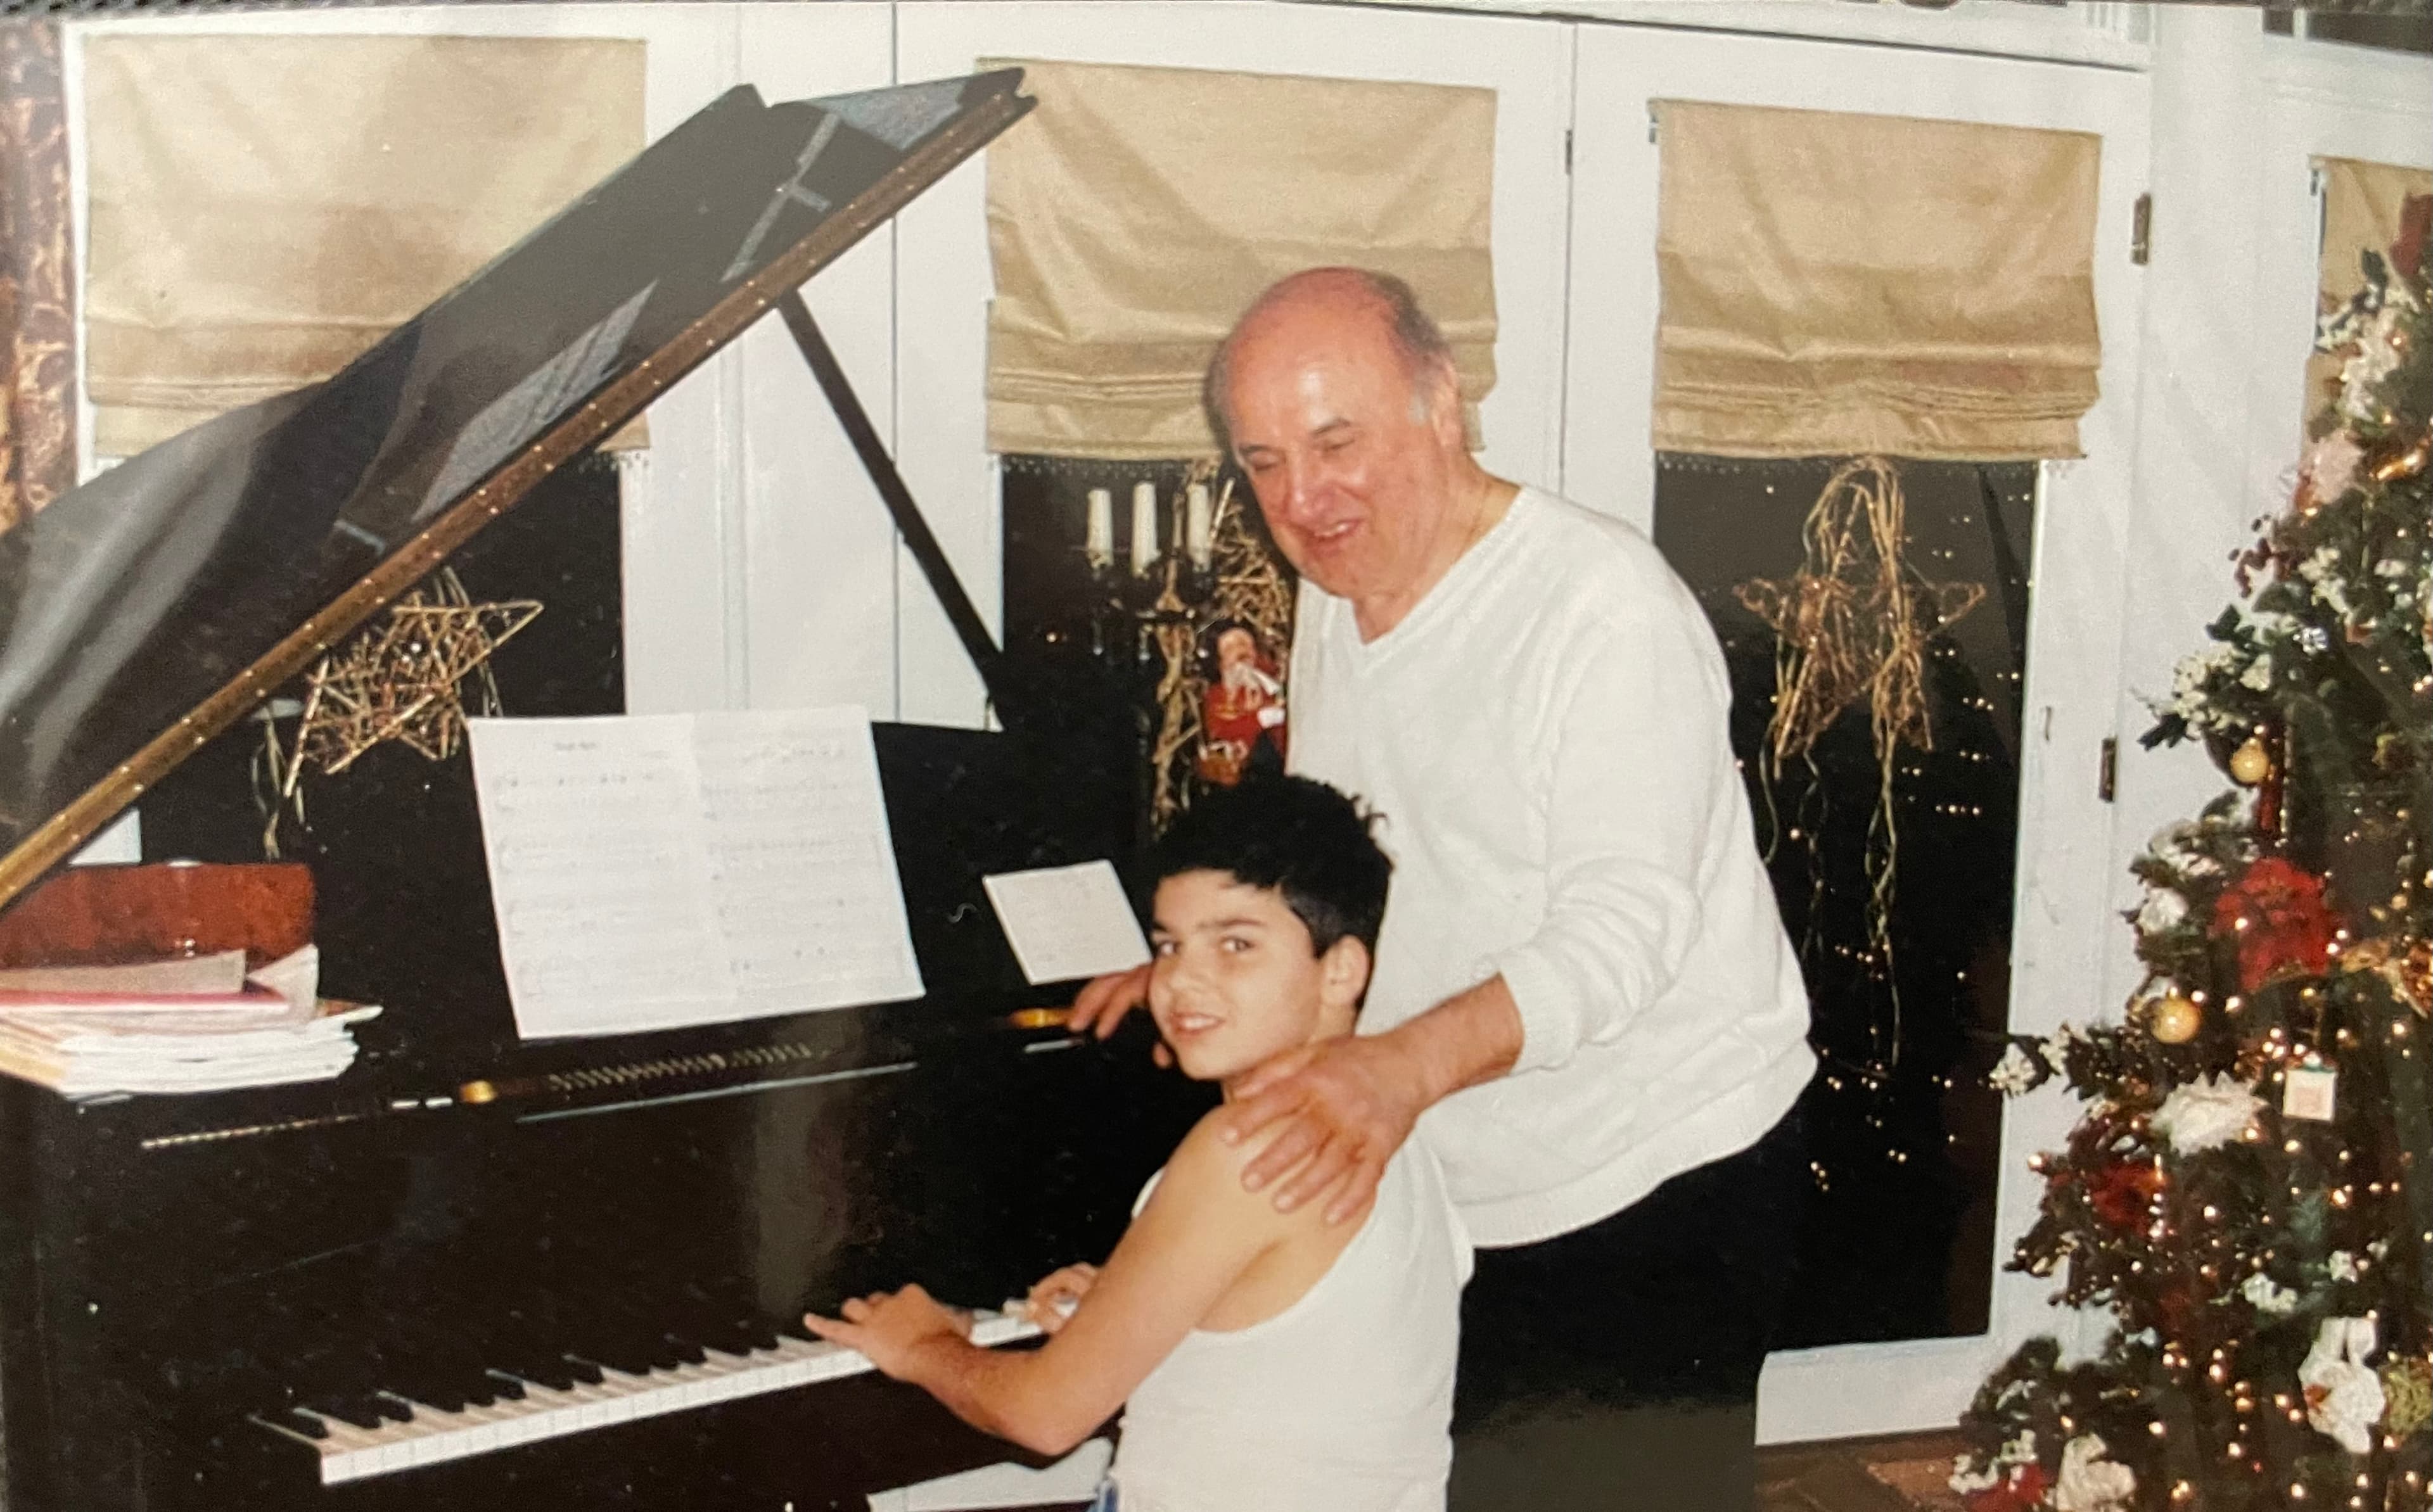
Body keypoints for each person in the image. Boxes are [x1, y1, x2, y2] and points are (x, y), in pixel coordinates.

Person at [1070, 267, 1817, 1510]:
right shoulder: (1338, 580)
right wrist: (1210, 953)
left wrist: (1397, 1066)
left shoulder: (1602, 609)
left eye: (1336, 441)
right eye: (1262, 460)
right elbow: (1344, 856)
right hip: (1451, 1147)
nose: (1301, 498)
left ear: (1442, 404)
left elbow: (1620, 935)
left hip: (1650, 1164)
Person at [807, 774, 1472, 1512]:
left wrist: (925, 1345)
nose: (1183, 979)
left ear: (1341, 968)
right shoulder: (1395, 1129)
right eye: (1168, 943)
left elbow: (1043, 1416)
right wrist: (1148, 1308)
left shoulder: (1243, 1144)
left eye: (1236, 944)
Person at [1196, 619, 1287, 784]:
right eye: (1230, 648)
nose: (1241, 649)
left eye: (1245, 643)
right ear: (1220, 662)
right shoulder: (1218, 698)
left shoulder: (1272, 679)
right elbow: (1226, 732)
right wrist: (1259, 720)